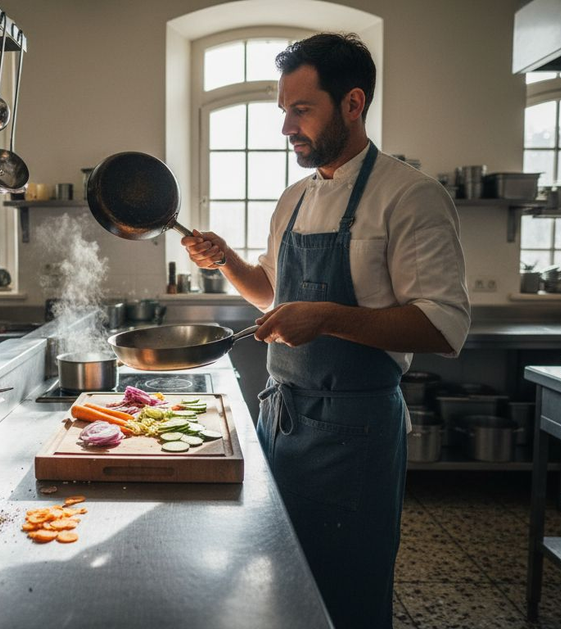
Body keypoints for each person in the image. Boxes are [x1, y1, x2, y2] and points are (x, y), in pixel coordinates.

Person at [182, 33, 470, 628]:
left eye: (301, 109)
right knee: (280, 582)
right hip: (280, 416)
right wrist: (227, 260)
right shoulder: (292, 198)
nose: (287, 126)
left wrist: (329, 318)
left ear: (353, 104)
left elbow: (443, 325)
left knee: (345, 588)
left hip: (355, 431)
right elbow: (271, 291)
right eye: (284, 111)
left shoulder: (410, 196)